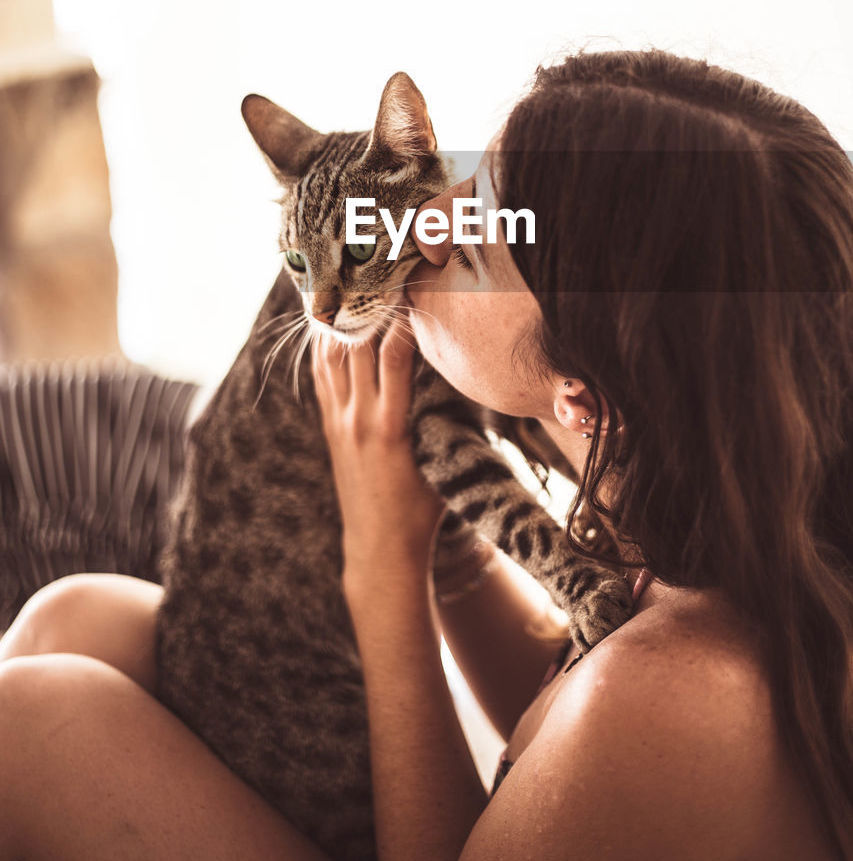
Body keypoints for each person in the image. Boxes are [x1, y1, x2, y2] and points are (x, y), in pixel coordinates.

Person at [0, 47, 850, 859]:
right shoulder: (685, 563)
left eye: (476, 240)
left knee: (28, 722)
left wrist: (383, 564)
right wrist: (443, 552)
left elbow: (575, 730)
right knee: (68, 617)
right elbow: (543, 713)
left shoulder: (660, 702)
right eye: (469, 183)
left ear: (582, 399)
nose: (433, 226)